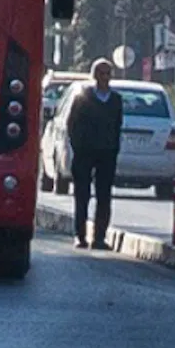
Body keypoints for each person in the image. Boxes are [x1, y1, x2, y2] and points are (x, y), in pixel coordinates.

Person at [63, 73, 125, 247]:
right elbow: (72, 123)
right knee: (82, 195)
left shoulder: (115, 99)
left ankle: (99, 237)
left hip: (107, 153)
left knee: (104, 196)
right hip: (84, 152)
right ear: (95, 76)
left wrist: (114, 147)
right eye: (101, 73)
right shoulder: (84, 96)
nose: (104, 78)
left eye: (107, 73)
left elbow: (117, 124)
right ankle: (80, 235)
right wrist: (78, 144)